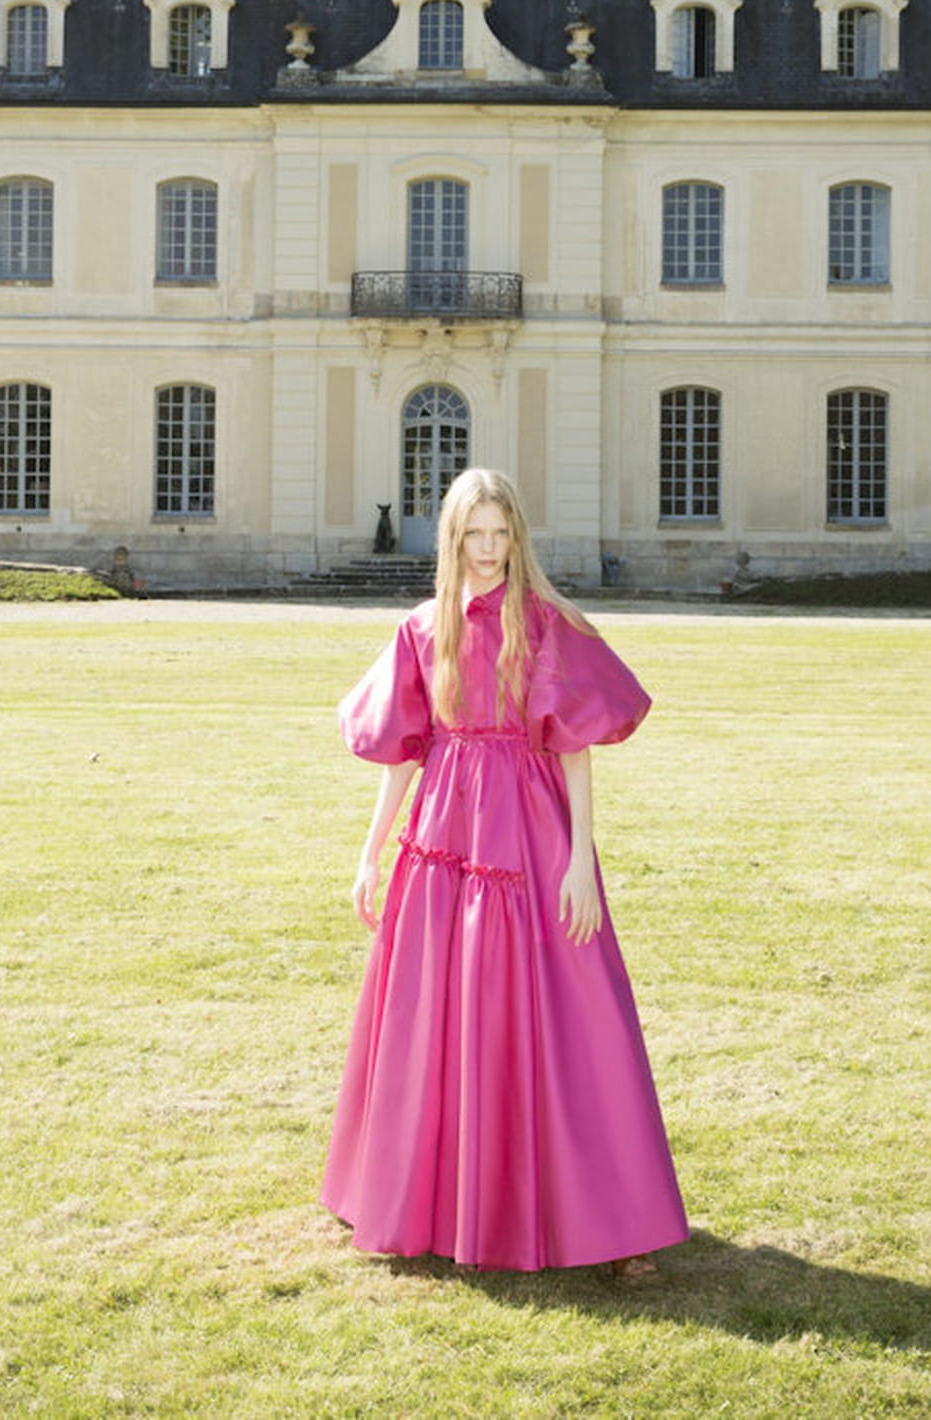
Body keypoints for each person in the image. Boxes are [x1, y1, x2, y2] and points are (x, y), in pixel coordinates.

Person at [321, 467, 688, 1274]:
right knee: (434, 1009)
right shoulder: (423, 629)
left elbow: (576, 748)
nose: (488, 551)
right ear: (451, 540)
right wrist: (370, 854)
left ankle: (606, 1219)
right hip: (443, 835)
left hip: (529, 829)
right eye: (473, 536)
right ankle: (421, 1202)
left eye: (500, 535)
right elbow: (404, 753)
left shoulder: (546, 624)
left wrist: (581, 858)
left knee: (569, 1008)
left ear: (517, 536)